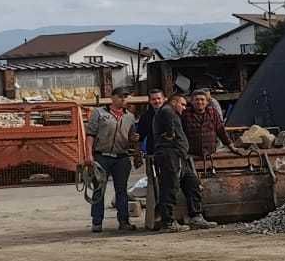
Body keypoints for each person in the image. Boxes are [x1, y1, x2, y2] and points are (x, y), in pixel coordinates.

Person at [151, 93, 210, 231]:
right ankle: (168, 222)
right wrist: (171, 135)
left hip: (179, 156)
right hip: (170, 155)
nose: (184, 108)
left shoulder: (171, 113)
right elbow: (170, 129)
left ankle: (196, 216)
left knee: (192, 182)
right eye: (182, 104)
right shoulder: (168, 111)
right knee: (170, 186)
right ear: (174, 102)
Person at [85, 88, 138, 233]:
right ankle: (97, 222)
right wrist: (88, 155)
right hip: (101, 156)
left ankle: (124, 221)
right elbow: (90, 135)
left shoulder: (130, 117)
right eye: (120, 97)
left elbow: (133, 138)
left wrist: (136, 148)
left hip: (121, 157)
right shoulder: (99, 113)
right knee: (98, 189)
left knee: (121, 190)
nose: (123, 100)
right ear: (112, 98)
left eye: (126, 97)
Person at [181, 88, 223, 160]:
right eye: (196, 99)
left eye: (202, 99)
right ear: (191, 102)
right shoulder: (185, 114)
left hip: (210, 153)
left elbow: (220, 129)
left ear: (207, 102)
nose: (199, 102)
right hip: (191, 154)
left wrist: (230, 145)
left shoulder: (213, 112)